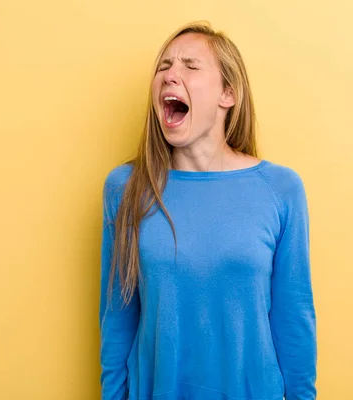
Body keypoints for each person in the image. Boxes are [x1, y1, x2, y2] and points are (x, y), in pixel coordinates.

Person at [99, 21, 317, 400]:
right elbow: (117, 320)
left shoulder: (280, 190)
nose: (170, 76)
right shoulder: (126, 189)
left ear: (227, 93)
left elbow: (293, 321)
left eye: (190, 66)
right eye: (163, 67)